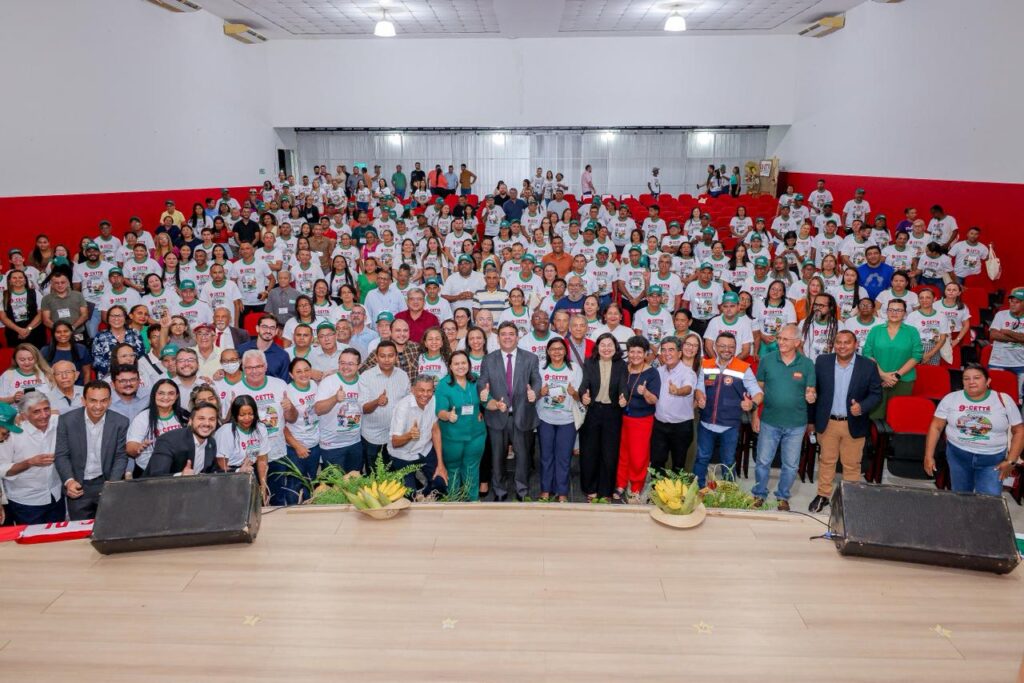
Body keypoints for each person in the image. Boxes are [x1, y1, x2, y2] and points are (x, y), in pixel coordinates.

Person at [808, 330, 883, 513]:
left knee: (852, 464)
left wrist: (862, 407)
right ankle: (823, 495)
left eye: (847, 342)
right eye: (838, 342)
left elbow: (876, 394)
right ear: (834, 344)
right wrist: (811, 420)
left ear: (856, 344)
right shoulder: (822, 362)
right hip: (828, 422)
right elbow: (814, 390)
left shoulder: (868, 366)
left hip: (854, 423)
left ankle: (850, 499)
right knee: (826, 461)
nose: (842, 346)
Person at [925, 364, 1023, 496]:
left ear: (988, 381)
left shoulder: (1003, 400)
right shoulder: (951, 398)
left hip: (992, 460)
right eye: (966, 378)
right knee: (961, 496)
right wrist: (928, 456)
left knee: (990, 500)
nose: (971, 382)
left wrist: (1011, 461)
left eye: (977, 378)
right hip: (958, 456)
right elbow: (936, 427)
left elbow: (1019, 431)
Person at [750, 324, 816, 511]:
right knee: (763, 461)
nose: (780, 342)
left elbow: (811, 391)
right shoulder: (767, 360)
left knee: (791, 465)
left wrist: (812, 395)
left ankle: (782, 496)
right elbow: (758, 390)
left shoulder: (807, 364)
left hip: (796, 424)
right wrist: (755, 415)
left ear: (797, 342)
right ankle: (759, 493)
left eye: (785, 339)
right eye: (779, 338)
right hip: (769, 420)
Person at [477, 321, 542, 501]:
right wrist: (484, 393)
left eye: (511, 334)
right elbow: (482, 382)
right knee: (497, 457)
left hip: (522, 414)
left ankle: (522, 490)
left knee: (523, 457)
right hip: (497, 416)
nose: (507, 337)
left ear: (517, 337)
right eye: (503, 334)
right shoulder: (488, 359)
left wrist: (534, 392)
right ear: (498, 338)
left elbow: (536, 380)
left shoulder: (530, 358)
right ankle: (499, 490)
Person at [693, 332, 762, 487]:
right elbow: (699, 387)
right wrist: (700, 396)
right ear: (715, 346)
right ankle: (697, 490)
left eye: (731, 347)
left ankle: (728, 493)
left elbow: (758, 393)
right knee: (702, 458)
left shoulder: (743, 368)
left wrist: (752, 404)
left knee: (728, 461)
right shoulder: (706, 365)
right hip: (706, 423)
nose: (727, 349)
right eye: (723, 346)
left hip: (730, 426)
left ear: (735, 348)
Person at [53, 381, 129, 520]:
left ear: (110, 401)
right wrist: (69, 481)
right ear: (83, 401)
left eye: (103, 401)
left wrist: (112, 485)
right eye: (93, 400)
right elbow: (61, 455)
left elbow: (121, 456)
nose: (98, 406)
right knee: (79, 530)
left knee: (109, 526)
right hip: (78, 486)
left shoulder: (121, 422)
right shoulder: (66, 421)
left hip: (106, 482)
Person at [0, 393, 63, 524]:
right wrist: (29, 463)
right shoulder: (10, 433)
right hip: (26, 503)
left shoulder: (57, 422)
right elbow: (2, 468)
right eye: (36, 412)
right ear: (24, 415)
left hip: (56, 496)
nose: (44, 415)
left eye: (46, 409)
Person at [433, 351, 487, 501]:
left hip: (476, 435)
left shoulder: (476, 379)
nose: (460, 366)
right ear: (450, 366)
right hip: (452, 438)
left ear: (469, 365)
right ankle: (454, 503)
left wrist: (496, 404)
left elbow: (486, 400)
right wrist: (448, 415)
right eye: (456, 364)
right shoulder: (444, 384)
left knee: (472, 470)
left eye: (463, 363)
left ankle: (472, 502)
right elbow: (439, 411)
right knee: (453, 470)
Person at [535, 338, 582, 502]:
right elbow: (533, 394)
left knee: (563, 457)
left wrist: (573, 393)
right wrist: (540, 393)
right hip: (545, 419)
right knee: (546, 456)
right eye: (553, 349)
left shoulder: (574, 369)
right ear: (548, 352)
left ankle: (562, 491)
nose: (557, 352)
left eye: (560, 348)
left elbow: (579, 397)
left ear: (565, 351)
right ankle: (545, 490)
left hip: (567, 420)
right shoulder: (540, 368)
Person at [614, 336, 660, 499]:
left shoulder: (652, 373)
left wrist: (645, 392)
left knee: (638, 456)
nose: (635, 355)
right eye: (632, 351)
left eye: (639, 352)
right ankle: (620, 484)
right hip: (622, 417)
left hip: (642, 420)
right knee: (623, 453)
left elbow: (654, 400)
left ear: (646, 353)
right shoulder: (623, 369)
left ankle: (636, 487)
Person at [862, 299, 922, 419]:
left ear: (905, 313)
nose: (894, 313)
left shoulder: (912, 331)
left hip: (904, 380)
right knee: (875, 416)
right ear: (887, 311)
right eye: (891, 309)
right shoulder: (876, 330)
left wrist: (897, 376)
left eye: (899, 310)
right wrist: (882, 374)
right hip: (877, 379)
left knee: (899, 417)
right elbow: (867, 353)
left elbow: (917, 355)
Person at [358, 340, 412, 471]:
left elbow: (408, 403)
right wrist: (377, 402)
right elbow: (363, 409)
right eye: (382, 356)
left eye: (390, 355)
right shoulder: (366, 377)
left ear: (396, 356)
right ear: (376, 357)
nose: (387, 360)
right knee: (374, 476)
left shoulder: (403, 375)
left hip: (396, 436)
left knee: (394, 475)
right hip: (373, 438)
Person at [389, 375, 447, 496]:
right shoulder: (403, 407)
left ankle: (426, 496)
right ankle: (416, 492)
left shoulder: (433, 401)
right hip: (403, 455)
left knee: (441, 482)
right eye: (421, 390)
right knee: (410, 496)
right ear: (413, 390)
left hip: (424, 450)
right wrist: (409, 435)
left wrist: (441, 464)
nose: (425, 395)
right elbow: (395, 442)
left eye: (429, 390)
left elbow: (435, 430)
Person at [650, 335, 699, 474]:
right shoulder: (658, 371)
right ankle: (657, 488)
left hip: (681, 427)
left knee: (679, 465)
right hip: (659, 425)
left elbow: (688, 389)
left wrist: (677, 391)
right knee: (657, 463)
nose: (667, 353)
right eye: (664, 350)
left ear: (679, 353)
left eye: (671, 350)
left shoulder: (688, 373)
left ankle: (677, 489)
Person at [144, 402, 222, 477]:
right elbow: (156, 475)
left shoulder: (211, 442)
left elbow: (212, 472)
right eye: (201, 418)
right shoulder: (168, 441)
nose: (207, 423)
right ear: (190, 421)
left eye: (212, 419)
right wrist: (181, 476)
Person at [988, 287, 1024, 400]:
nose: (1012, 304)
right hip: (998, 361)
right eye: (1011, 301)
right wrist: (1020, 338)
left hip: (1021, 363)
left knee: (1019, 397)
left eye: (1017, 302)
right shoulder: (1001, 315)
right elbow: (993, 335)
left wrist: (1008, 332)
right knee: (994, 395)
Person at [237, 313, 290, 381]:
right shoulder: (242, 349)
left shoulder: (283, 355)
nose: (268, 331)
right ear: (257, 328)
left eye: (272, 328)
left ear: (276, 331)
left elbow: (284, 382)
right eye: (264, 327)